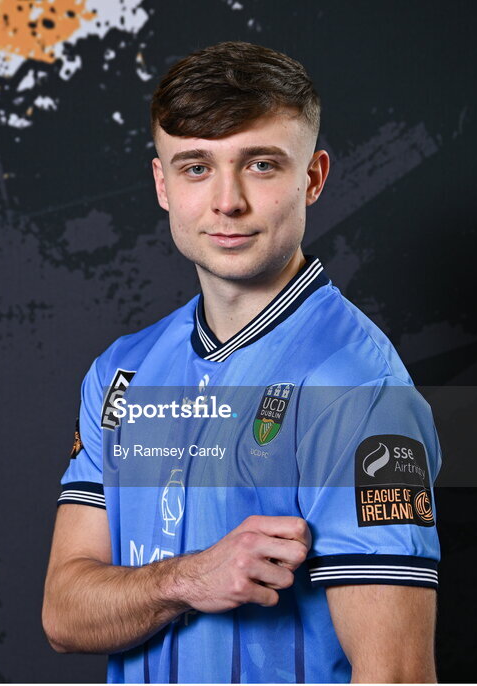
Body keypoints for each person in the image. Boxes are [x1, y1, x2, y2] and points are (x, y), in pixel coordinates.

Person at [43, 41, 441, 683]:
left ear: (312, 177)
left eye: (260, 165)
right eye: (196, 167)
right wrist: (190, 578)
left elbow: (396, 676)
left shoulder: (360, 391)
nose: (227, 201)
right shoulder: (123, 372)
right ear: (162, 184)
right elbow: (64, 613)